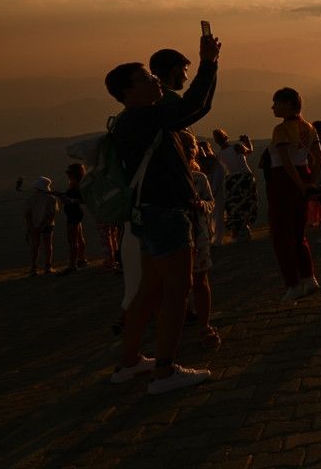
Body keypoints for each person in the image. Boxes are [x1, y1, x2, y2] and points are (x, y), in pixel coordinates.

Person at [105, 31, 218, 394]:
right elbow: (193, 104)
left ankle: (129, 362)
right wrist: (209, 63)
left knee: (149, 291)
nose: (155, 81)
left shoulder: (131, 121)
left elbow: (195, 108)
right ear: (128, 92)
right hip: (166, 214)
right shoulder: (145, 119)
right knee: (176, 289)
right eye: (146, 79)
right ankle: (165, 371)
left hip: (147, 215)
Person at [267, 87, 321, 302]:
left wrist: (300, 184)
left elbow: (286, 162)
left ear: (288, 104)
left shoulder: (280, 130)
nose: (273, 107)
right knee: (299, 233)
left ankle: (293, 284)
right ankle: (309, 277)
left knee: (281, 235)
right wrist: (310, 183)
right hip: (304, 174)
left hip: (283, 181)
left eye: (276, 103)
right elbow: (319, 159)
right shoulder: (309, 128)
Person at [179, 132, 220, 350]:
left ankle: (204, 324)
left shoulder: (199, 178)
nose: (190, 149)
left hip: (199, 236)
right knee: (181, 285)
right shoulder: (168, 177)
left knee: (200, 281)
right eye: (186, 145)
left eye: (192, 145)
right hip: (178, 239)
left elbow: (210, 203)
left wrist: (201, 206)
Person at [213, 129, 259, 241]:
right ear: (226, 136)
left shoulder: (219, 154)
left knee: (235, 205)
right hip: (244, 177)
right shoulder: (237, 147)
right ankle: (244, 227)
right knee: (247, 201)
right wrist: (247, 141)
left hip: (231, 180)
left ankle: (237, 229)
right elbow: (249, 151)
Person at [24, 177, 59, 276]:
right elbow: (52, 214)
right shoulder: (51, 198)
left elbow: (27, 214)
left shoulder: (31, 198)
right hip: (48, 225)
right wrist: (44, 225)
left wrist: (30, 226)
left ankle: (34, 267)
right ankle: (48, 266)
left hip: (34, 225)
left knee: (35, 246)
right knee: (48, 245)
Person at [196, 140, 226, 246]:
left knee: (217, 216)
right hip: (207, 193)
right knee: (211, 217)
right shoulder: (200, 162)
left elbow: (219, 176)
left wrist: (212, 191)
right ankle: (212, 238)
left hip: (214, 192)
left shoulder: (214, 161)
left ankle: (217, 239)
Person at [59, 164, 88, 273]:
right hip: (75, 213)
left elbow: (84, 199)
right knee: (79, 238)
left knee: (72, 240)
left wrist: (70, 200)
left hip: (74, 213)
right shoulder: (74, 183)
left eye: (69, 172)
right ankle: (81, 259)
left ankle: (72, 264)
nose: (67, 174)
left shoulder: (79, 184)